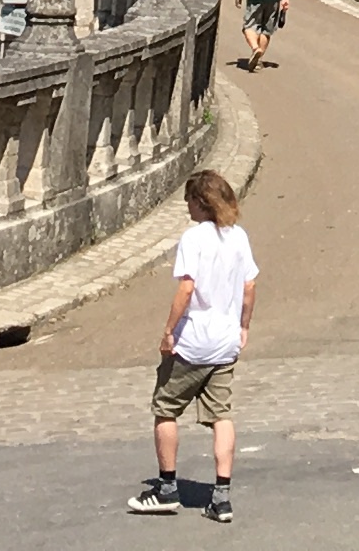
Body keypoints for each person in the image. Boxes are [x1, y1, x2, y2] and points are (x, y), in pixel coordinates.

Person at [129, 168, 256, 522]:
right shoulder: (238, 236)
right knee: (221, 415)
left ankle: (167, 488)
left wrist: (169, 331)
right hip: (226, 342)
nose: (186, 206)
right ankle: (222, 497)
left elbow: (187, 288)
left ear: (200, 202)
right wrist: (244, 326)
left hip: (194, 342)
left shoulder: (193, 238)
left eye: (188, 200)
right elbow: (249, 286)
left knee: (166, 407)